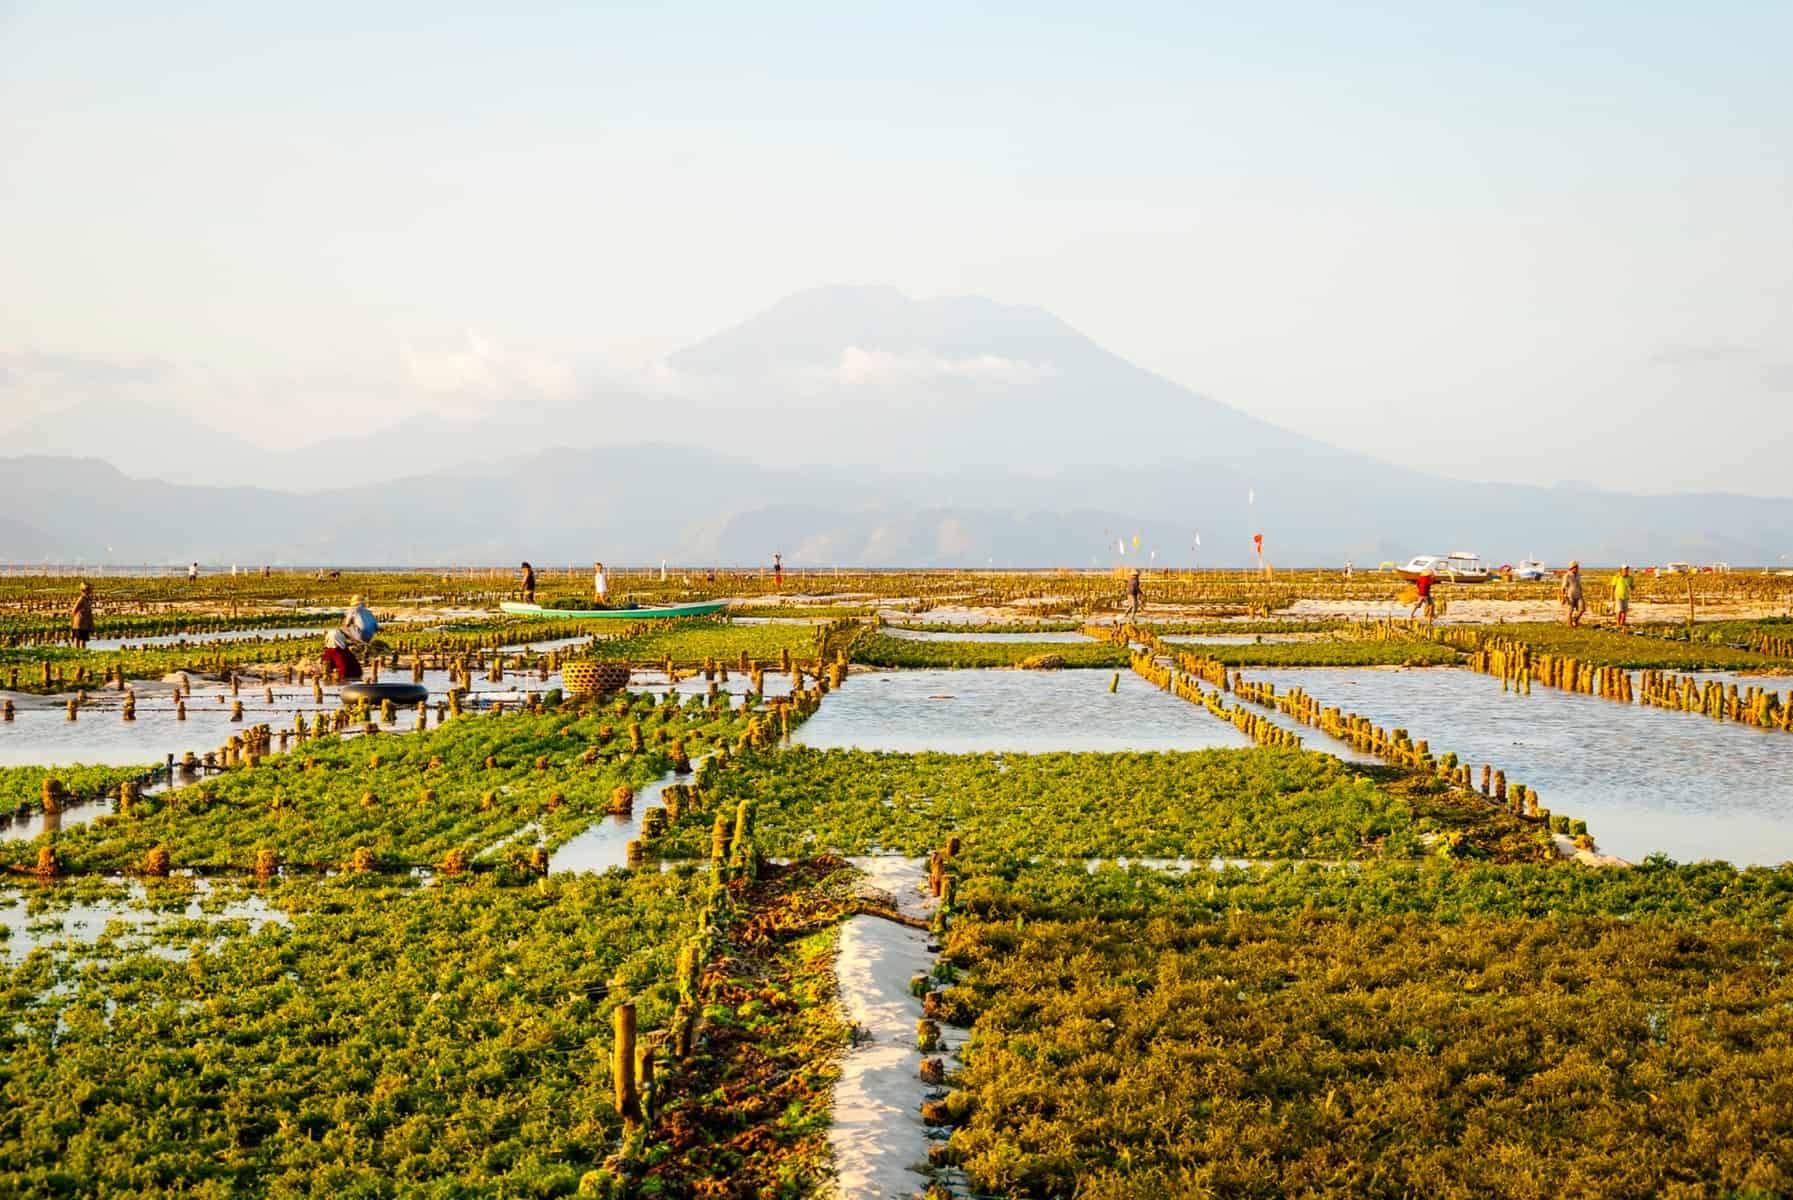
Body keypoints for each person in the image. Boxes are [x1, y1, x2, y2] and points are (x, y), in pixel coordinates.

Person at [70, 582, 94, 649]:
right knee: (78, 640)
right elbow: (73, 611)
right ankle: (78, 654)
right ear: (86, 590)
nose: (91, 591)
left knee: (83, 641)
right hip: (79, 623)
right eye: (90, 589)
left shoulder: (88, 599)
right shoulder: (81, 599)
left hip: (85, 623)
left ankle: (82, 654)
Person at [1561, 561, 1585, 627]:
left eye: (1577, 567)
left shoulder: (1578, 575)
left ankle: (1575, 619)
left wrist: (1581, 593)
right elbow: (1563, 587)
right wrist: (1563, 597)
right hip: (1570, 596)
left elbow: (1579, 585)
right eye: (1576, 567)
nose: (1577, 569)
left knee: (1582, 609)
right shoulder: (1567, 576)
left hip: (1579, 595)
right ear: (1572, 568)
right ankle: (1570, 626)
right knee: (1570, 611)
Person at [1611, 563, 1634, 629]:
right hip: (1618, 595)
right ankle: (1618, 623)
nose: (1626, 571)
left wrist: (1631, 587)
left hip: (1626, 596)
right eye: (1624, 569)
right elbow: (1613, 586)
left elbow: (1632, 587)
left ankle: (1622, 624)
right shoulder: (1617, 577)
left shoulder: (1630, 578)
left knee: (1624, 611)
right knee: (1619, 610)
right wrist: (1611, 595)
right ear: (1621, 570)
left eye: (1627, 569)